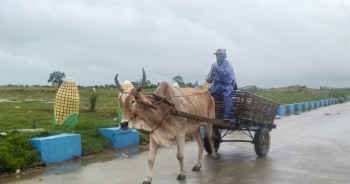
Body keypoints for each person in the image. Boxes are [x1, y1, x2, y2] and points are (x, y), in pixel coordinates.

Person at [206, 48, 236, 121]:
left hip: (226, 85)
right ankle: (206, 113)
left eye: (219, 55)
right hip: (216, 86)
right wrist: (209, 79)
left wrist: (217, 69)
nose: (217, 56)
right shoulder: (213, 65)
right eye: (216, 55)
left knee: (227, 96)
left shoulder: (227, 64)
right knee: (206, 94)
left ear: (223, 56)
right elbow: (212, 77)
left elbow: (226, 73)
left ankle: (226, 116)